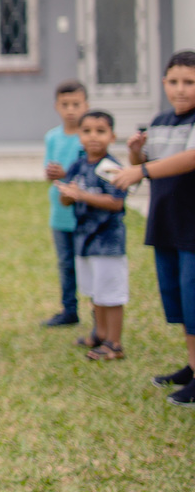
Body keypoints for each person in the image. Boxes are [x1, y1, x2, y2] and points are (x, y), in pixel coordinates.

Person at [112, 49, 195, 407]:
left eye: (189, 82)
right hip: (166, 224)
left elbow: (190, 157)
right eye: (174, 81)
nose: (181, 89)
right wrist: (137, 154)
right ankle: (192, 366)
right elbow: (151, 164)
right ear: (163, 83)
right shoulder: (160, 121)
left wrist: (140, 170)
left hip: (192, 226)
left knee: (194, 301)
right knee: (181, 302)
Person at [56, 110, 129, 360]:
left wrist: (82, 195)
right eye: (87, 131)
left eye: (101, 131)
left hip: (108, 242)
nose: (93, 137)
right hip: (84, 241)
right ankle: (100, 334)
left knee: (111, 294)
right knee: (96, 291)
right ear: (79, 136)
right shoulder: (78, 165)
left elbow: (116, 202)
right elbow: (66, 199)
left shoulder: (110, 167)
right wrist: (67, 194)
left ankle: (114, 343)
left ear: (113, 137)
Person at [41, 80, 88, 327]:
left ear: (86, 105)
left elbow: (90, 173)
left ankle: (99, 311)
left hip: (84, 214)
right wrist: (52, 174)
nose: (70, 110)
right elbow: (49, 172)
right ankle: (69, 310)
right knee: (65, 263)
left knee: (88, 263)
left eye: (76, 104)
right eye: (65, 104)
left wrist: (66, 174)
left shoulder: (89, 137)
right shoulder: (52, 137)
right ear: (56, 106)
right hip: (60, 214)